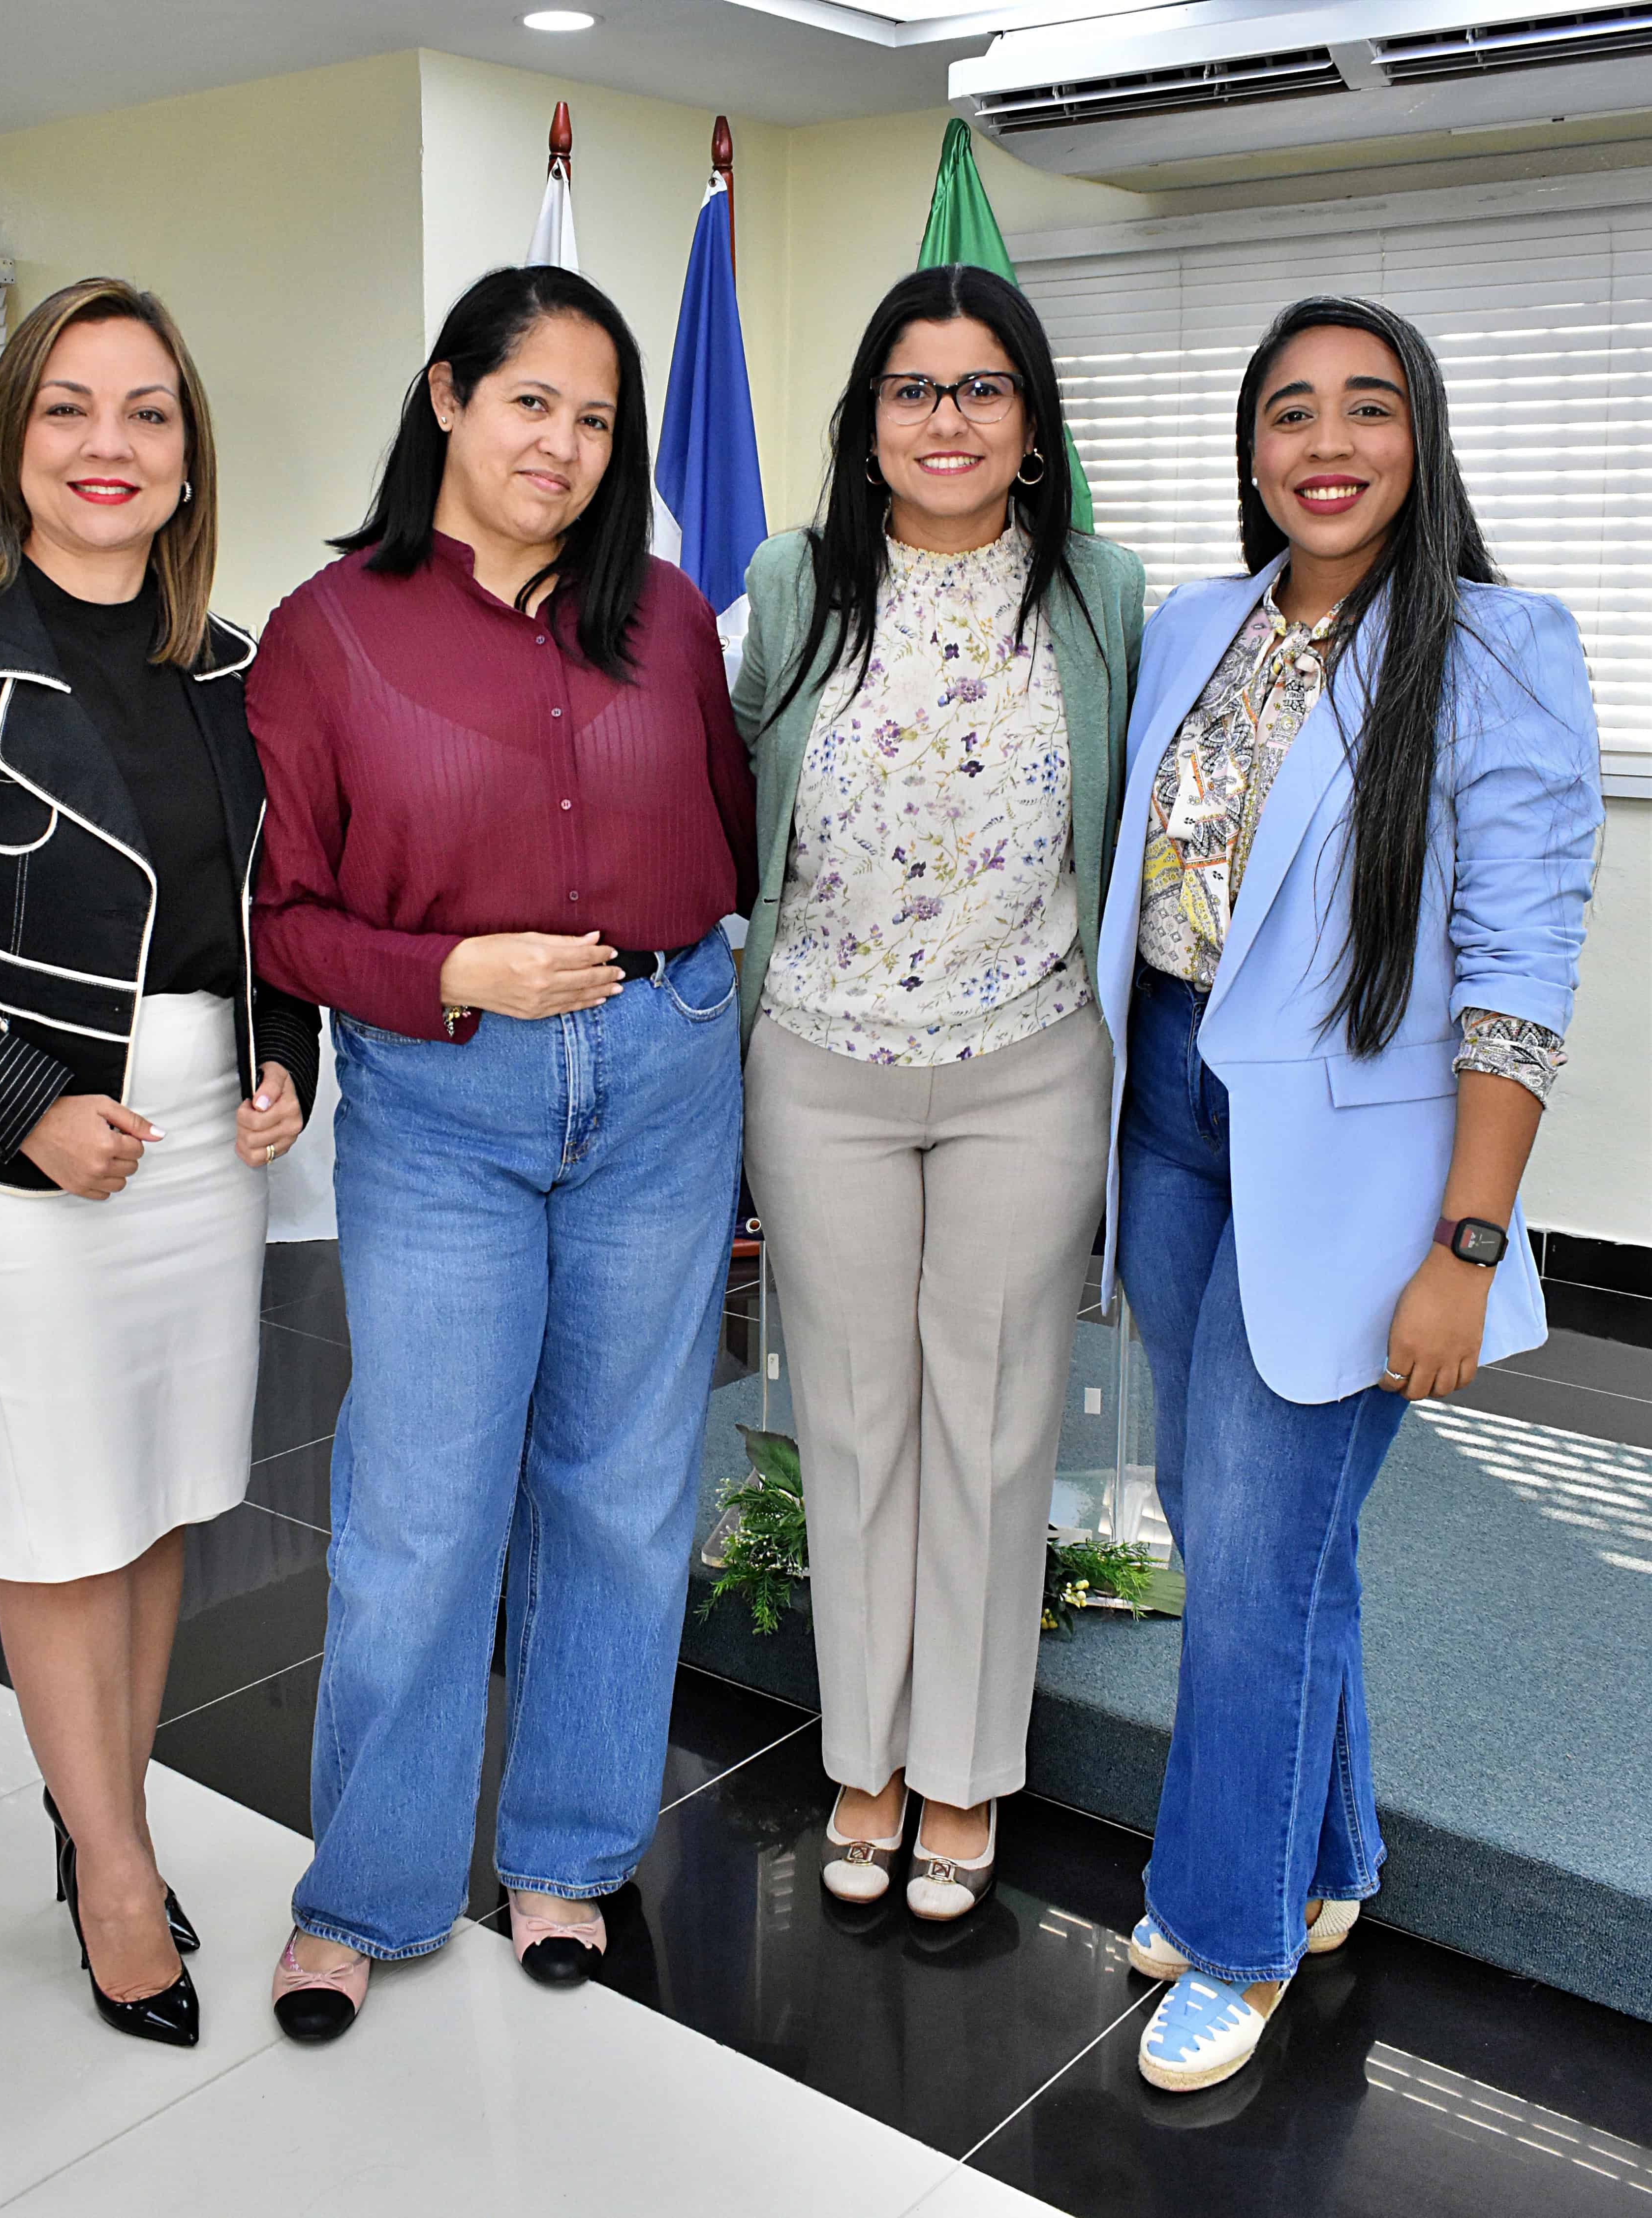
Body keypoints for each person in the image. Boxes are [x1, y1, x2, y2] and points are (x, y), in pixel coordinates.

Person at [0, 276, 318, 2050]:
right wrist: (21, 1100)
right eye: (71, 409)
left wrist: (283, 1058)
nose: (111, 446)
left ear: (189, 458)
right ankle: (112, 1860)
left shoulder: (238, 669)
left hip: (198, 1152)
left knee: (161, 1493)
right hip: (25, 1148)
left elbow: (277, 919)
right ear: (17, 437)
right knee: (53, 1510)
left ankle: (102, 1795)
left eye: (148, 414)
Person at [1096, 296, 1603, 2093]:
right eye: (1291, 411)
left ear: (1422, 434)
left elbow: (1517, 975)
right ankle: (1329, 1867)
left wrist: (1465, 1245)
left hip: (1365, 1161)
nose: (1328, 441)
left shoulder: (1499, 645)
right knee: (1261, 1531)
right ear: (1250, 450)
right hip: (1168, 1110)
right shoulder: (1193, 626)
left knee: (1247, 1555)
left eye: (1367, 409)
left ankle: (1228, 1929)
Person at [246, 264, 757, 2043]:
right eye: (532, 398)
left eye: (599, 417)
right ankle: (368, 1887)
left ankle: (566, 1854)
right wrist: (447, 968)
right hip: (442, 1099)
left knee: (622, 1489)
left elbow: (729, 838)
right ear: (449, 394)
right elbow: (282, 918)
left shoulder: (674, 619)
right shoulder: (325, 634)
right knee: (420, 1503)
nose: (565, 442)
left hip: (669, 1073)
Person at [734, 263, 1145, 1923]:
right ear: (868, 421)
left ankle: (966, 1772)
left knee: (992, 1419)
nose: (948, 419)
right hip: (819, 1061)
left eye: (983, 389)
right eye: (915, 389)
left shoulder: (1104, 592)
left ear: (1031, 426)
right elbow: (713, 775)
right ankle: (866, 1755)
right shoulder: (788, 582)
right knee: (849, 1412)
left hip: (1029, 1062)